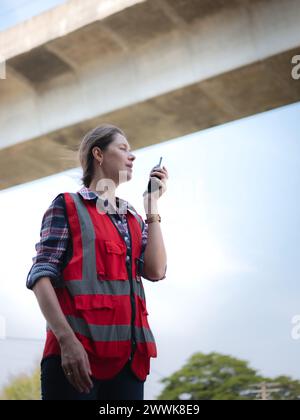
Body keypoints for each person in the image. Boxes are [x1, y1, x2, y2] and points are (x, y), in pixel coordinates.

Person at [26, 124, 168, 400]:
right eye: (124, 148)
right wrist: (67, 341)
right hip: (77, 360)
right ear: (98, 154)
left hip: (128, 364)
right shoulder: (67, 206)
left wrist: (152, 207)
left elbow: (156, 270)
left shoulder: (134, 218)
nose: (133, 156)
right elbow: (40, 275)